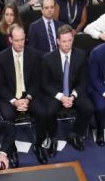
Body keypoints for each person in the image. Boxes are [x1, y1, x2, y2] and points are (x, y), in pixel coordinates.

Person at [35, 24, 93, 154]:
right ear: (58, 41)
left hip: (73, 91)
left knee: (88, 108)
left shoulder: (81, 55)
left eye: (70, 40)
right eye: (64, 41)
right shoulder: (47, 58)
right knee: (49, 112)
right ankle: (53, 137)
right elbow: (45, 84)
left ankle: (75, 134)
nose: (67, 44)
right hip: (56, 92)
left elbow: (84, 81)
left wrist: (73, 96)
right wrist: (61, 97)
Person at [0, 23, 42, 165]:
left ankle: (39, 145)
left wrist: (27, 98)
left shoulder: (34, 55)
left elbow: (36, 81)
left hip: (28, 96)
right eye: (17, 40)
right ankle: (11, 148)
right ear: (10, 40)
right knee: (8, 115)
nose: (21, 43)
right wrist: (14, 101)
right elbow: (0, 86)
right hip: (8, 97)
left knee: (43, 111)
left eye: (23, 39)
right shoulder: (1, 58)